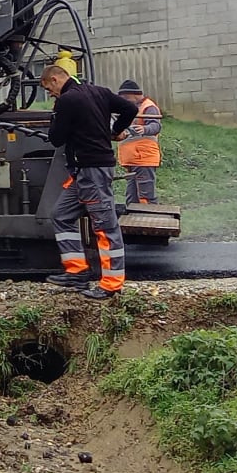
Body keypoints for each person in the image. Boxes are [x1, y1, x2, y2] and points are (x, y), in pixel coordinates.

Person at [42, 60, 137, 300]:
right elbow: (130, 109)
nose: (49, 93)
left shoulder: (67, 100)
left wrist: (56, 115)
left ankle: (111, 284)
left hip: (92, 171)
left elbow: (55, 139)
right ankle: (77, 271)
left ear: (56, 79)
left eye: (48, 88)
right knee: (61, 215)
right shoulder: (99, 91)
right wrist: (114, 131)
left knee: (105, 227)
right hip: (85, 172)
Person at [114, 79, 163, 206]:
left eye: (125, 98)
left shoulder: (148, 107)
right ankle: (135, 222)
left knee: (145, 197)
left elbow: (156, 126)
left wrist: (144, 129)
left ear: (134, 95)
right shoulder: (131, 109)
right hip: (133, 159)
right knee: (132, 199)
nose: (123, 101)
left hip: (143, 158)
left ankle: (150, 221)